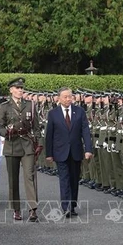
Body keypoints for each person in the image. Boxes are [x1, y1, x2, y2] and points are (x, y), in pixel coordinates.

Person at [0, 77, 42, 222]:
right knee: (13, 179)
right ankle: (16, 209)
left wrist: (39, 143)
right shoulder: (4, 106)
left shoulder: (30, 105)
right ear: (11, 90)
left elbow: (36, 127)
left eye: (21, 88)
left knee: (29, 176)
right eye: (17, 88)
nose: (20, 90)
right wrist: (6, 132)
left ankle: (32, 208)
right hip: (11, 145)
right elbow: (0, 126)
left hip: (27, 144)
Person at [45, 87, 93, 217]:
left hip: (76, 151)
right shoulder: (53, 113)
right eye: (65, 97)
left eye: (70, 96)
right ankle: (66, 207)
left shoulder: (79, 112)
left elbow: (85, 131)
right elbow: (49, 134)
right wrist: (48, 153)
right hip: (60, 152)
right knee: (64, 179)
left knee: (74, 179)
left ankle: (72, 205)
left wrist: (88, 149)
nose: (68, 99)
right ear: (59, 98)